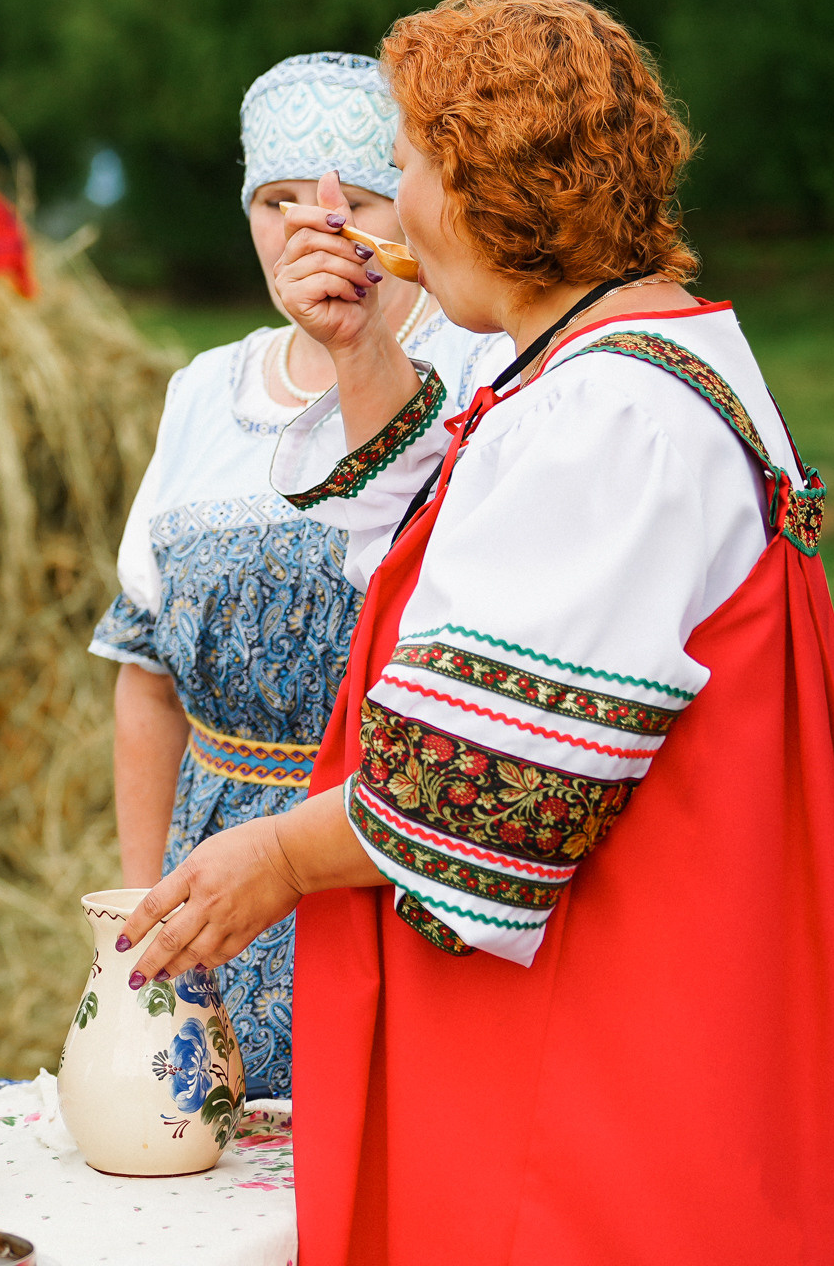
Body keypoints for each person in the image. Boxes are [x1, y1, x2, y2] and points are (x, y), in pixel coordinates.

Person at [119, 0, 834, 1262]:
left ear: (485, 187)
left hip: (616, 1082)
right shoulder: (629, 364)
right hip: (681, 1023)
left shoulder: (608, 416)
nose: (388, 210)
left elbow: (484, 792)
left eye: (402, 167)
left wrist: (283, 859)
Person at [91, 53, 503, 1099]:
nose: (305, 228)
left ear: (405, 212)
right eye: (274, 201)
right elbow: (146, 668)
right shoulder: (200, 392)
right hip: (216, 871)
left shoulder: (485, 374)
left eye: (351, 200)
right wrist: (141, 905)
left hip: (386, 857)